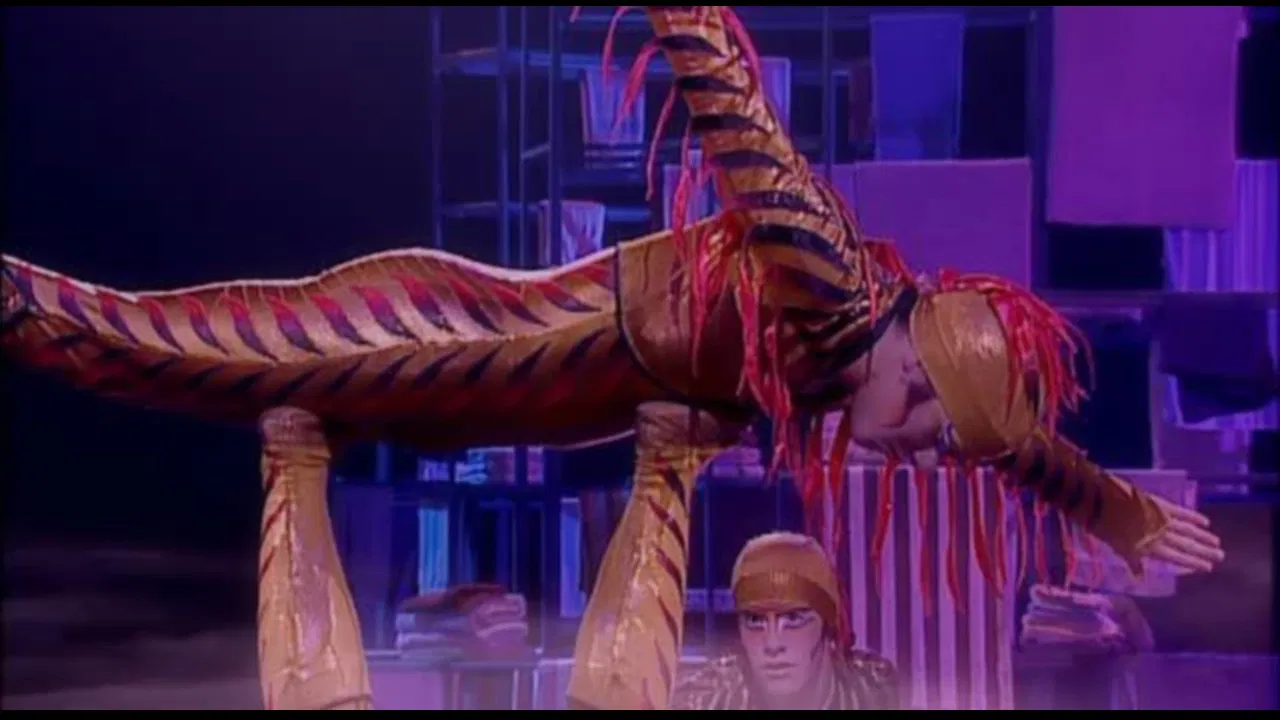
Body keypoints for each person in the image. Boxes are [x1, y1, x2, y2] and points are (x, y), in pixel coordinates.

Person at [0, 5, 1223, 709]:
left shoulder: (862, 351)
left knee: (203, 371)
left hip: (549, 391)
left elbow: (1009, 449)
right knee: (171, 351)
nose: (920, 450)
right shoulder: (830, 273)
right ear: (911, 365)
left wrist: (1114, 512)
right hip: (479, 339)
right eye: (928, 423)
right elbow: (730, 103)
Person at [672, 532, 898, 710]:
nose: (773, 644)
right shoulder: (705, 701)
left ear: (828, 626)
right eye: (755, 620)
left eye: (793, 618)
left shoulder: (873, 689)